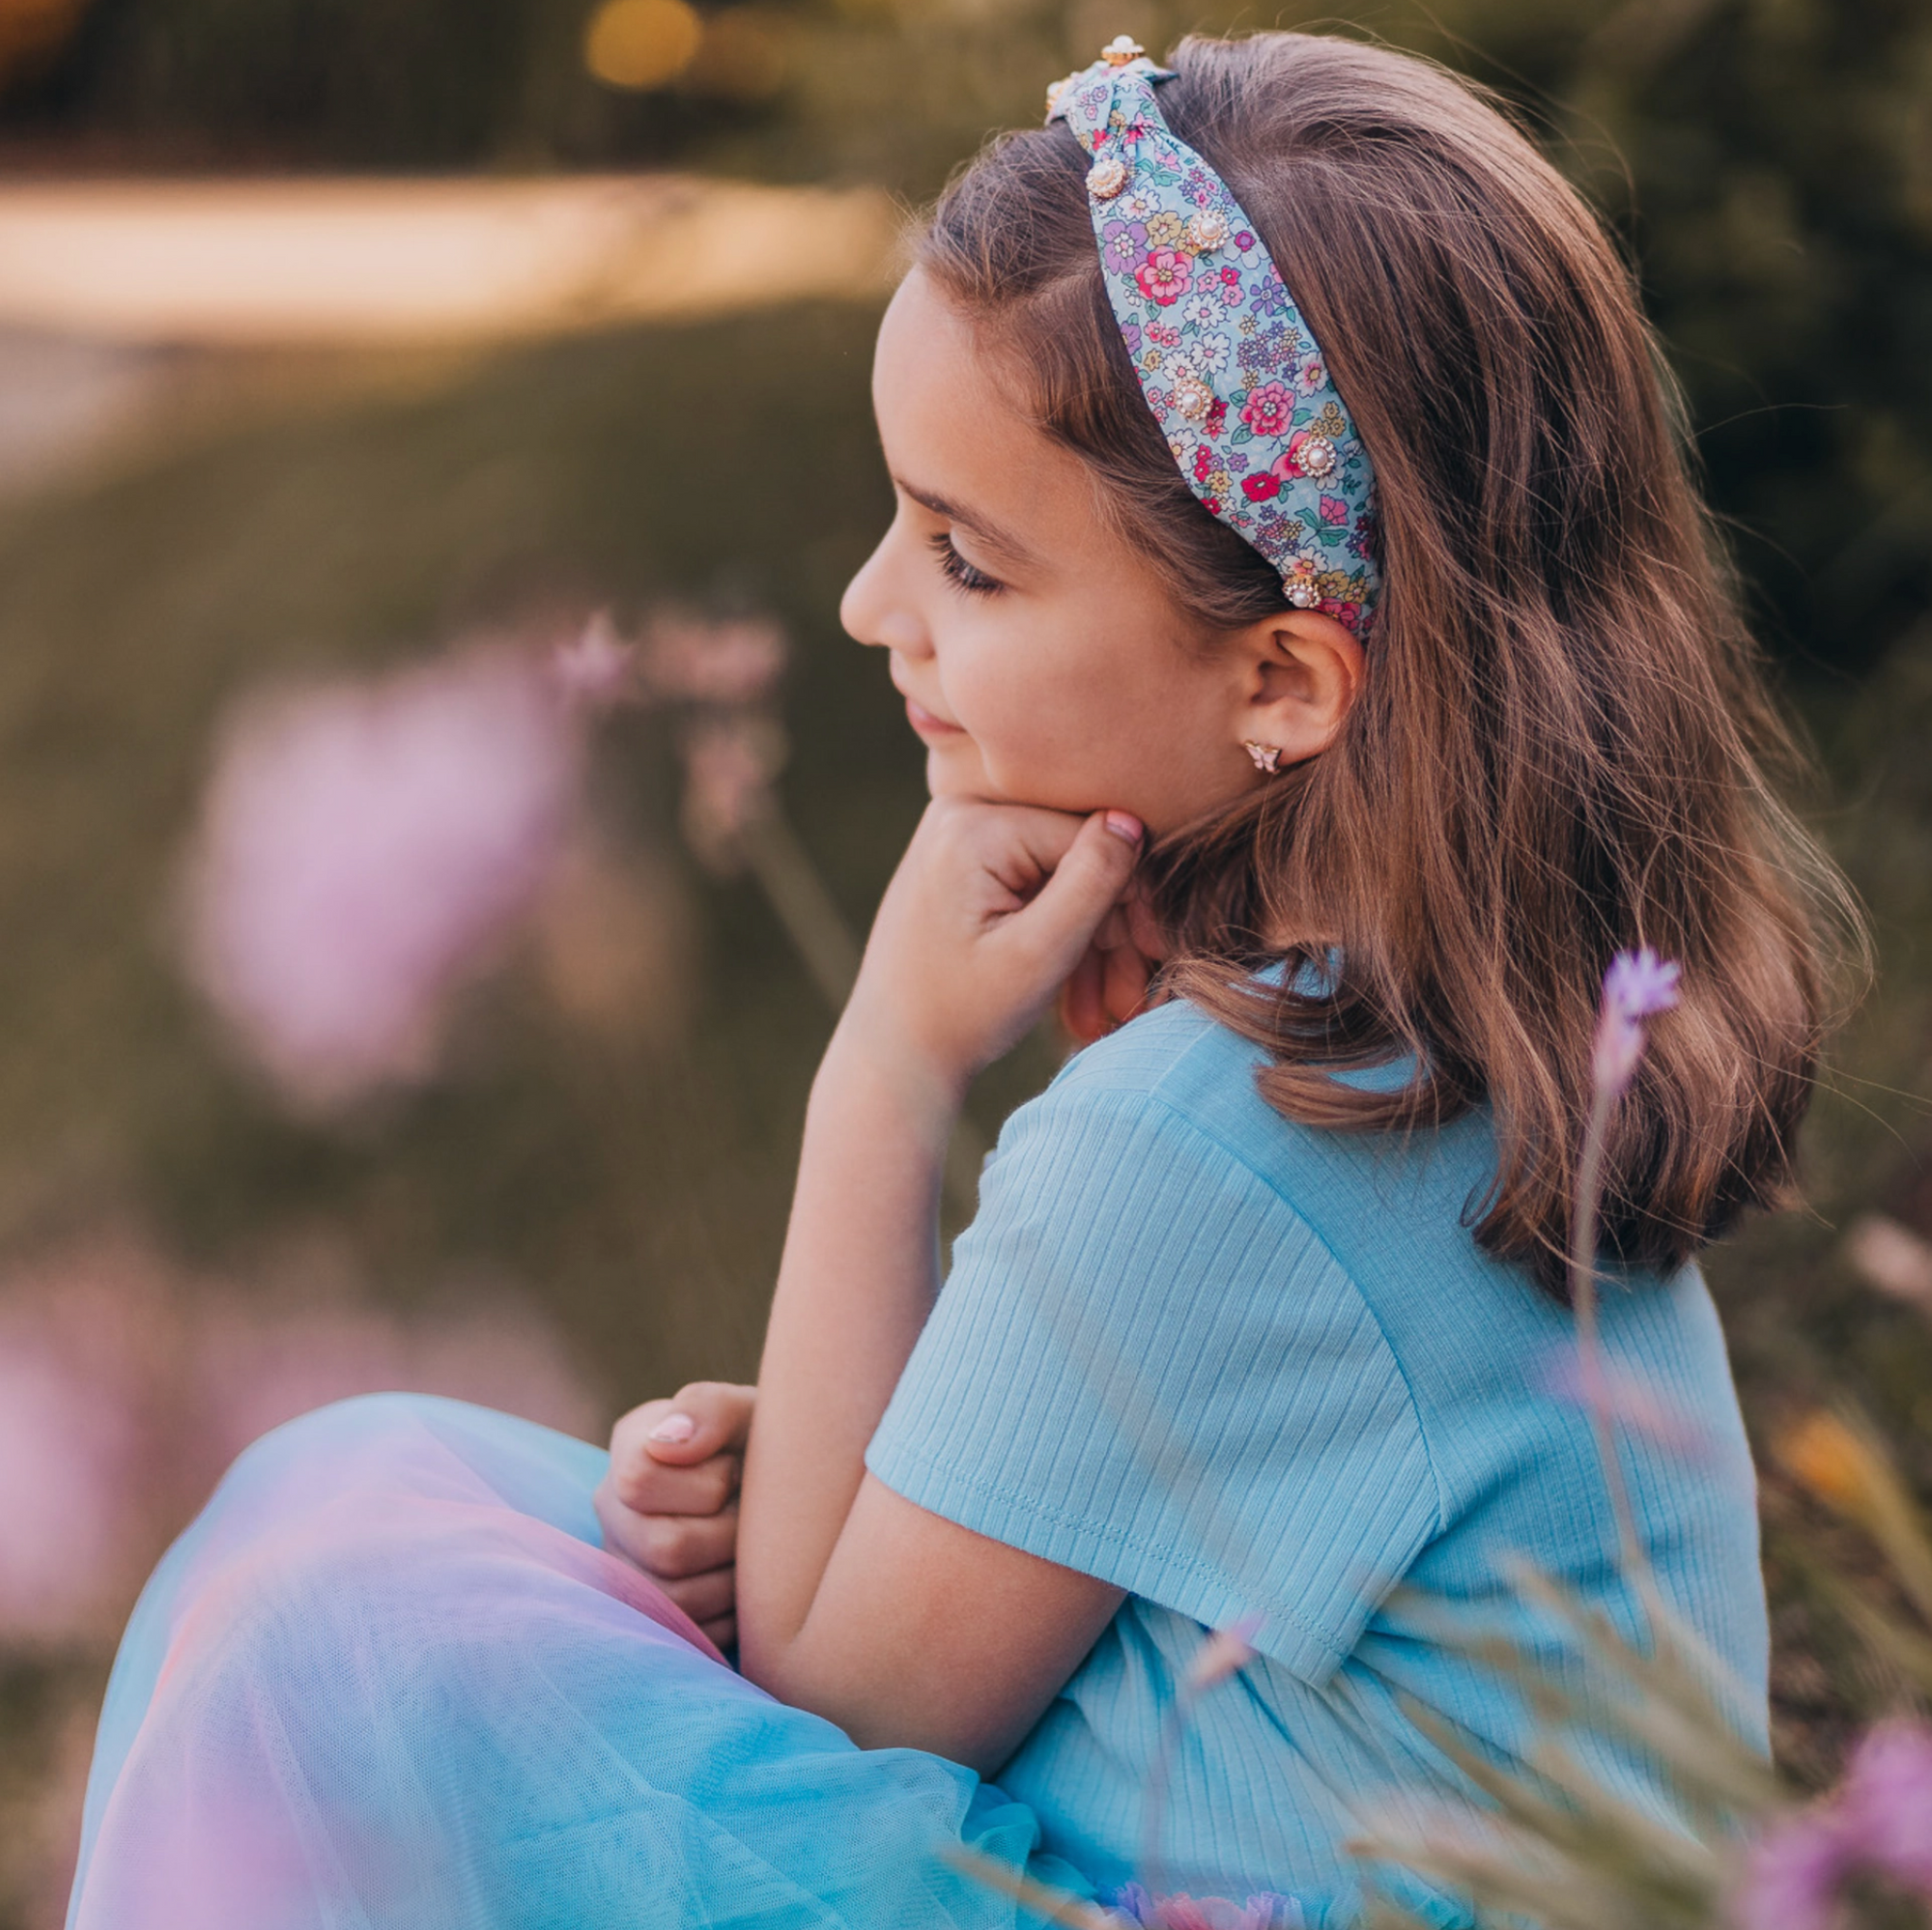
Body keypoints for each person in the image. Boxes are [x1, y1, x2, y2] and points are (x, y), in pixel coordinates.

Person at [66, 31, 1850, 1930]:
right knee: (430, 1523)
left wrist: (886, 1077)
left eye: (963, 559)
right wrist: (887, 1464)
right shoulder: (1449, 1041)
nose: (866, 606)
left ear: (1278, 685)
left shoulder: (1222, 1144)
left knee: (344, 1596)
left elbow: (825, 1713)